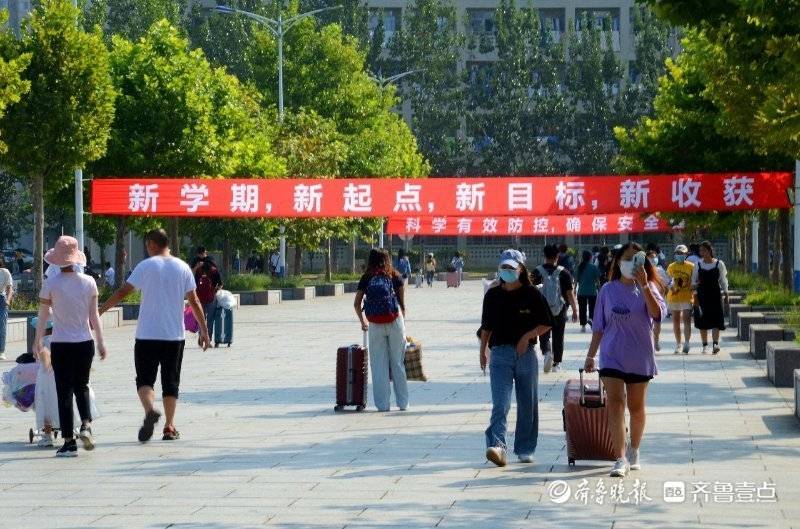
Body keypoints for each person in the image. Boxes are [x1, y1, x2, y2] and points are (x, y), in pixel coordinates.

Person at [100, 229, 210, 442]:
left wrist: (100, 310)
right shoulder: (183, 267)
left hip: (146, 335)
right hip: (174, 336)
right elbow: (194, 301)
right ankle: (169, 426)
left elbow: (123, 292)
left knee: (144, 380)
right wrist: (203, 330)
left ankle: (150, 410)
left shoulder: (145, 266)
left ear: (151, 244)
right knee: (171, 382)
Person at [584, 242, 666, 478]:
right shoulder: (607, 290)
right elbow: (599, 327)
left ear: (643, 263)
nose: (630, 264)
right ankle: (619, 457)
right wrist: (591, 355)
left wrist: (644, 287)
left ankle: (634, 449)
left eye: (635, 259)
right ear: (618, 262)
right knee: (616, 404)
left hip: (640, 357)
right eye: (626, 259)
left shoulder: (650, 287)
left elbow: (657, 314)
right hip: (612, 356)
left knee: (636, 409)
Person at [33, 236, 107, 457]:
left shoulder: (51, 284)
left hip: (61, 344)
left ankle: (69, 442)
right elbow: (94, 316)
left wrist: (37, 342)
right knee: (82, 385)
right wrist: (101, 341)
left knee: (64, 391)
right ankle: (85, 424)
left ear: (56, 260)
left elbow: (43, 316)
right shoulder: (89, 282)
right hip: (85, 342)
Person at [480, 249, 552, 466]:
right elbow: (486, 327)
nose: (507, 271)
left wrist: (527, 337)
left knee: (527, 403)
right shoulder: (493, 295)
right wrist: (483, 350)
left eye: (512, 268)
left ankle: (525, 447)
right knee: (500, 403)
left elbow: (547, 322)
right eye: (504, 268)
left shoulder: (532, 294)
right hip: (500, 354)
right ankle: (498, 446)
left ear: (521, 269)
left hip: (525, 355)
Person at [353, 249, 407, 412]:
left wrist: (363, 322)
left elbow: (356, 303)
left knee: (378, 365)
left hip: (375, 324)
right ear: (387, 259)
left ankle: (383, 405)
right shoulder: (395, 275)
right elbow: (402, 305)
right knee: (397, 362)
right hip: (395, 321)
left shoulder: (367, 277)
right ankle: (403, 403)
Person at [534, 244, 578, 373]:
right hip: (560, 309)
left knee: (543, 334)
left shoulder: (536, 272)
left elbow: (530, 292)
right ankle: (556, 363)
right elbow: (570, 294)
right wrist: (575, 310)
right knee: (559, 336)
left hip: (541, 310)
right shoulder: (564, 273)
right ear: (557, 256)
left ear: (544, 255)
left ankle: (547, 352)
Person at [692, 241, 729, 354]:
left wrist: (726, 293)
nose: (701, 252)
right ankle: (704, 345)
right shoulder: (698, 264)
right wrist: (694, 291)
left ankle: (715, 344)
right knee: (702, 320)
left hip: (715, 294)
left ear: (709, 250)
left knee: (716, 320)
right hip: (701, 295)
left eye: (703, 250)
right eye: (700, 250)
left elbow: (723, 280)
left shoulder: (719, 264)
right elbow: (693, 280)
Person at [666, 245, 694, 354]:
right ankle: (678, 344)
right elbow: (668, 281)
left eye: (682, 253)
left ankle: (686, 342)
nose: (680, 255)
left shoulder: (691, 266)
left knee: (686, 319)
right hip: (674, 296)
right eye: (678, 253)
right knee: (676, 320)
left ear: (686, 254)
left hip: (687, 296)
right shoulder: (671, 267)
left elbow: (694, 280)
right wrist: (671, 287)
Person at [193, 258, 223, 339]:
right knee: (210, 320)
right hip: (211, 298)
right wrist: (215, 290)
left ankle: (201, 336)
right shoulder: (214, 270)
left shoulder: (199, 271)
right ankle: (208, 338)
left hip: (200, 298)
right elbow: (220, 284)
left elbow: (194, 284)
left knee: (201, 319)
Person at [647, 249, 669, 351]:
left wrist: (663, 294)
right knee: (648, 323)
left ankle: (656, 340)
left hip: (658, 299)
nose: (653, 259)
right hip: (647, 299)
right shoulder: (644, 271)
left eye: (655, 257)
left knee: (657, 321)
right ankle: (649, 341)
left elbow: (666, 283)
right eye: (651, 257)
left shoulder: (660, 270)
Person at [575, 250, 600, 333]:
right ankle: (591, 320)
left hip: (581, 291)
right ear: (590, 257)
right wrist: (599, 288)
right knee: (592, 308)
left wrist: (575, 289)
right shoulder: (593, 267)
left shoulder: (579, 267)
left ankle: (583, 326)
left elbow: (576, 280)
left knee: (582, 309)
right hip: (592, 292)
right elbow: (597, 280)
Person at [0, 255, 12, 361]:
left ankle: (1, 351)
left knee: (2, 326)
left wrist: (8, 300)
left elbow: (9, 288)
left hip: (1, 299)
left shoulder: (4, 272)